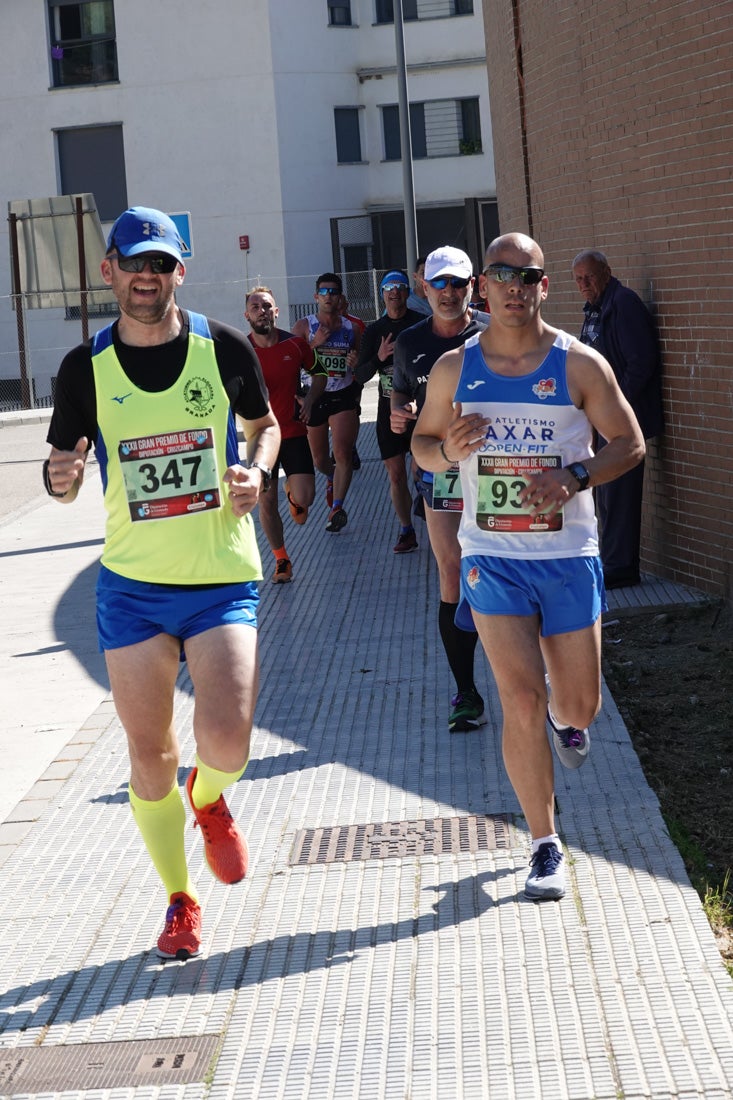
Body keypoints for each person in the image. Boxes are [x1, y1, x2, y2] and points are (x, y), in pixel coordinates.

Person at [43, 206, 280, 959]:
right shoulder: (85, 367)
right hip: (133, 587)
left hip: (218, 579)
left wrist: (256, 470)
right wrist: (60, 477)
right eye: (130, 262)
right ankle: (179, 901)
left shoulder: (224, 348)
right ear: (108, 271)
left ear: (179, 269)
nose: (145, 276)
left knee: (228, 741)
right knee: (149, 754)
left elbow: (265, 423)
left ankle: (208, 797)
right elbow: (61, 473)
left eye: (159, 263)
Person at [412, 232, 645, 901]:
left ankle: (568, 721)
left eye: (527, 276)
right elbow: (423, 445)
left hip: (567, 557)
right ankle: (543, 843)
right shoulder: (455, 369)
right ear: (481, 286)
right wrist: (444, 449)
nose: (513, 287)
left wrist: (573, 476)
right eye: (500, 275)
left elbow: (628, 443)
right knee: (519, 698)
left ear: (545, 287)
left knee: (577, 703)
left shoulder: (579, 366)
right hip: (491, 556)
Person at [391, 246, 490, 732]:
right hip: (441, 470)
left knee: (504, 568)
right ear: (422, 285)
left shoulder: (495, 331)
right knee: (451, 571)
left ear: (474, 285)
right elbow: (402, 392)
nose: (449, 293)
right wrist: (399, 413)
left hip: (499, 470)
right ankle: (466, 693)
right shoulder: (411, 342)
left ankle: (531, 683)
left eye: (459, 283)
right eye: (440, 283)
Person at [572, 249, 663, 588]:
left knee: (621, 494)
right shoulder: (594, 309)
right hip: (600, 421)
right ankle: (609, 562)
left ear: (607, 272)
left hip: (624, 421)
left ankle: (621, 568)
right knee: (605, 493)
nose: (584, 284)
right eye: (579, 279)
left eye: (590, 277)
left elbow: (642, 362)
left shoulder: (623, 303)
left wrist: (615, 405)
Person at [245, 286, 328, 583]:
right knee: (265, 502)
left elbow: (320, 374)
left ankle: (294, 495)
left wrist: (311, 400)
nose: (261, 311)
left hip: (292, 432)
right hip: (259, 437)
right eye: (255, 307)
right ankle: (281, 560)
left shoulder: (295, 345)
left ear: (276, 312)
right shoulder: (243, 351)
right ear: (247, 315)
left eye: (266, 306)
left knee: (306, 501)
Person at [355, 270, 423, 553]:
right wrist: (379, 358)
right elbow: (358, 375)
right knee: (396, 475)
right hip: (388, 412)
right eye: (389, 287)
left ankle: (433, 516)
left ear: (408, 292)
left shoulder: (422, 325)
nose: (394, 292)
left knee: (421, 471)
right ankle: (406, 530)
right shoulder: (374, 331)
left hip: (420, 411)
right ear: (382, 294)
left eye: (400, 287)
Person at [292, 273, 361, 532]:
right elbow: (291, 360)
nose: (329, 296)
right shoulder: (303, 326)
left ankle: (337, 508)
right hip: (314, 396)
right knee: (320, 459)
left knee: (343, 453)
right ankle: (331, 477)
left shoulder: (351, 328)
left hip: (342, 394)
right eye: (324, 291)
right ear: (316, 297)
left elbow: (359, 360)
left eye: (333, 291)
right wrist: (314, 343)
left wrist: (356, 363)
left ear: (340, 296)